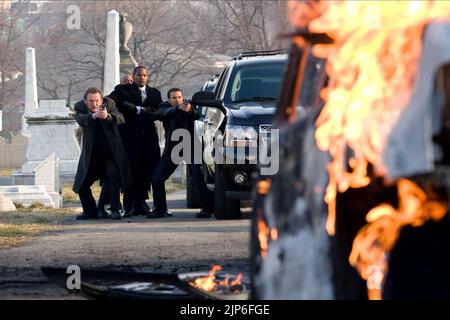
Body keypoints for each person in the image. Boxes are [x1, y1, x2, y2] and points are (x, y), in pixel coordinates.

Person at [108, 65, 168, 217]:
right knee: (131, 171)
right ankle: (128, 206)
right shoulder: (123, 90)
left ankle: (143, 204)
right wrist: (138, 109)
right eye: (139, 75)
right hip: (129, 138)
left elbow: (159, 110)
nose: (142, 77)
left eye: (144, 75)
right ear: (133, 77)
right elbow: (115, 101)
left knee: (147, 170)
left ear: (147, 77)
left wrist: (151, 112)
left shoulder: (155, 93)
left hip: (149, 139)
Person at [148, 88, 214, 218]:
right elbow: (163, 114)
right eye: (174, 98)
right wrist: (177, 109)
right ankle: (160, 209)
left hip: (190, 147)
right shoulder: (164, 107)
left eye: (179, 97)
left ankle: (207, 208)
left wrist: (189, 109)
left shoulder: (188, 106)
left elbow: (197, 115)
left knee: (197, 176)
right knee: (157, 178)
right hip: (173, 149)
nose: (177, 100)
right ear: (168, 99)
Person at [73, 87, 132, 220]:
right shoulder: (80, 108)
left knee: (113, 177)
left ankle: (115, 209)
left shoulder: (109, 105)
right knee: (82, 184)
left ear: (101, 99)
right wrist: (93, 116)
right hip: (91, 156)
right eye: (91, 101)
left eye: (97, 100)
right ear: (85, 101)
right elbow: (81, 120)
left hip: (110, 154)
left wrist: (108, 117)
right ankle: (90, 211)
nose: (94, 104)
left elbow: (120, 118)